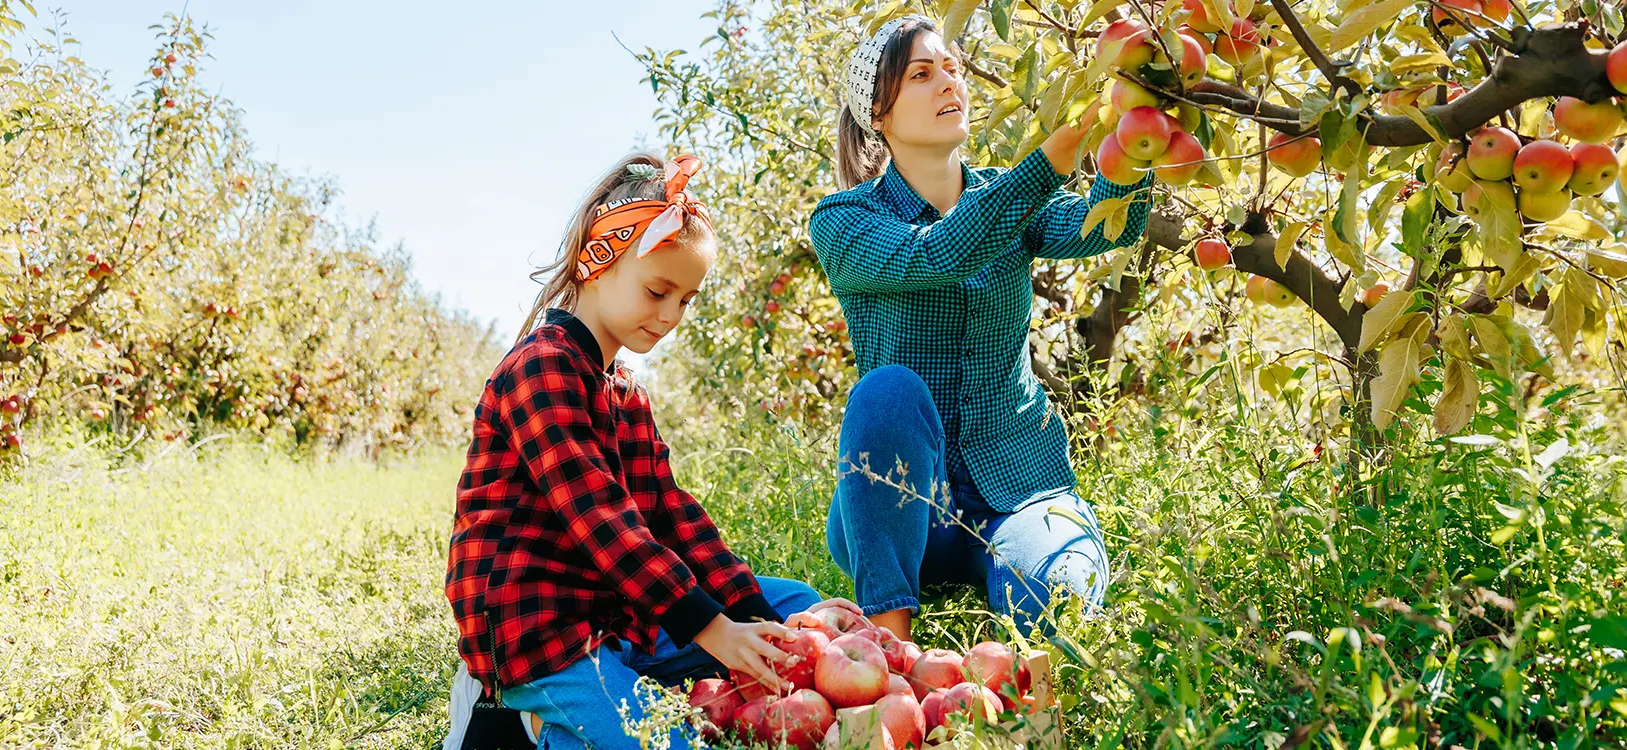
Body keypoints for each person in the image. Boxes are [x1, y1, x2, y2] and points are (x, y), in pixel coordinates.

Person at [445, 152, 859, 749]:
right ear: (598, 261)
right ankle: (520, 721)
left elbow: (671, 515)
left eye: (685, 300)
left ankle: (595, 705)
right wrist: (710, 628)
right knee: (666, 743)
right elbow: (602, 521)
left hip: (618, 614)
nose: (669, 316)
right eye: (657, 290)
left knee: (792, 606)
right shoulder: (543, 369)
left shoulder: (625, 393)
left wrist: (744, 613)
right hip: (542, 632)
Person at [810, 16, 1155, 640]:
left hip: (1019, 491)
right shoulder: (843, 220)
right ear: (878, 116)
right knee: (887, 390)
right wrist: (1047, 161)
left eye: (953, 69)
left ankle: (1036, 699)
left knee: (1059, 595)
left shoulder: (1006, 198)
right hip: (906, 508)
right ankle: (888, 649)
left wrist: (1132, 135)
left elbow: (1110, 226)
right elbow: (938, 252)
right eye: (922, 73)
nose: (949, 83)